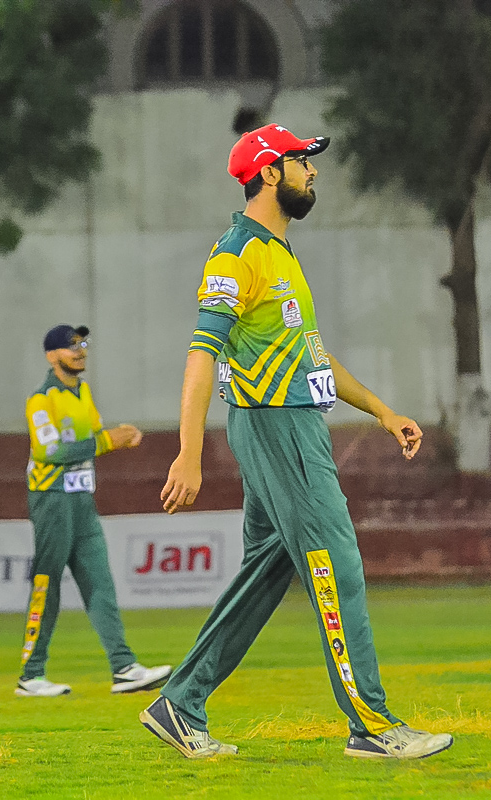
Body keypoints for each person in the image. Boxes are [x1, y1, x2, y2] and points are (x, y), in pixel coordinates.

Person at [138, 124, 454, 760]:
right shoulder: (237, 255)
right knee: (337, 562)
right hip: (277, 427)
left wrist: (383, 412)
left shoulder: (280, 252)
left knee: (267, 569)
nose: (313, 171)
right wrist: (188, 452)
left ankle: (180, 703)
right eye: (301, 161)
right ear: (268, 172)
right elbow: (201, 355)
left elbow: (313, 356)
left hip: (293, 423)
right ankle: (371, 724)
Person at [16, 323, 173, 697]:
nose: (80, 350)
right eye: (70, 346)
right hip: (52, 499)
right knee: (47, 584)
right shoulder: (41, 400)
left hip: (82, 500)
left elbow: (95, 438)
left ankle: (124, 668)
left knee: (100, 582)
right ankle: (31, 675)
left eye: (82, 344)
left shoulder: (82, 392)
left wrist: (118, 438)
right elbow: (49, 452)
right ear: (51, 356)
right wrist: (108, 441)